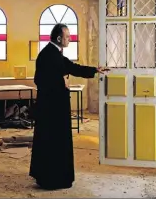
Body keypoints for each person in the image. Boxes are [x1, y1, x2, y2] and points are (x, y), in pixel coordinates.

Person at [29, 23, 106, 190]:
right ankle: (52, 180)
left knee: (54, 142)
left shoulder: (54, 53)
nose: (70, 39)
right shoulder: (48, 55)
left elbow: (72, 67)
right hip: (51, 110)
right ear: (59, 38)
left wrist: (95, 70)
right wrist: (61, 81)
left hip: (54, 107)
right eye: (67, 37)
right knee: (53, 143)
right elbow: (40, 80)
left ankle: (52, 177)